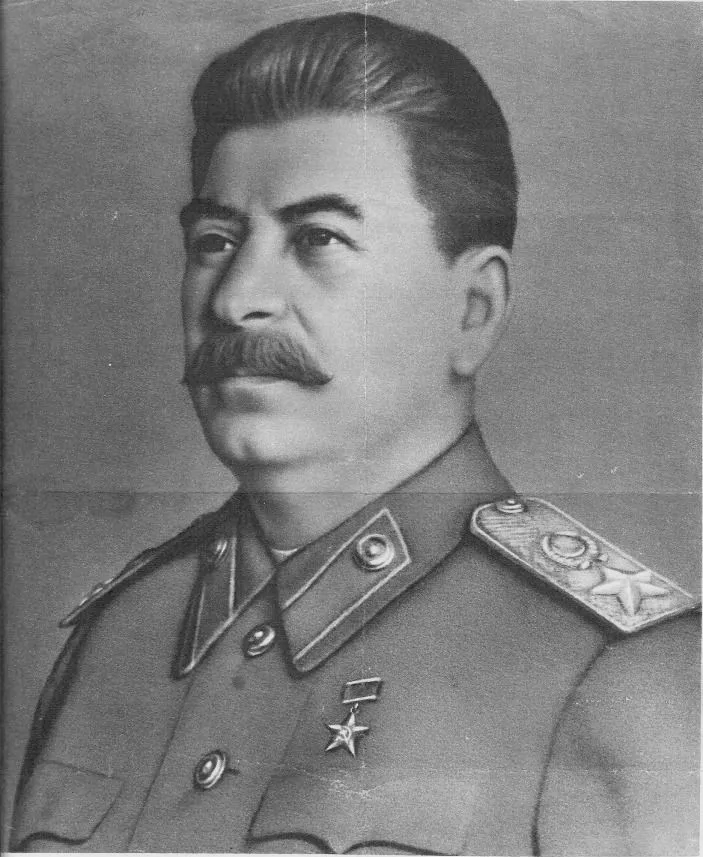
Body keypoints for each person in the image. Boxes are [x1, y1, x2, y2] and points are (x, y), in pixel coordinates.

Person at [11, 12, 699, 855]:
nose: (235, 299)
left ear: (472, 308)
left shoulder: (617, 674)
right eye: (214, 241)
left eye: (317, 239)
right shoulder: (120, 636)